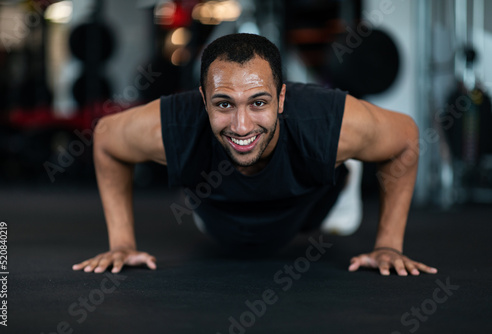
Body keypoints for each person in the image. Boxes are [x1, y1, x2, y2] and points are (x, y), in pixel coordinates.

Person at [73, 33, 437, 276]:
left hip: (316, 206)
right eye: (224, 104)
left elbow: (405, 136)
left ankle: (344, 172)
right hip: (219, 213)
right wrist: (121, 243)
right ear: (203, 100)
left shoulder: (328, 122)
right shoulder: (172, 125)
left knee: (332, 211)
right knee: (217, 205)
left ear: (281, 98)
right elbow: (105, 137)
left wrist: (389, 244)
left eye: (258, 102)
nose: (242, 125)